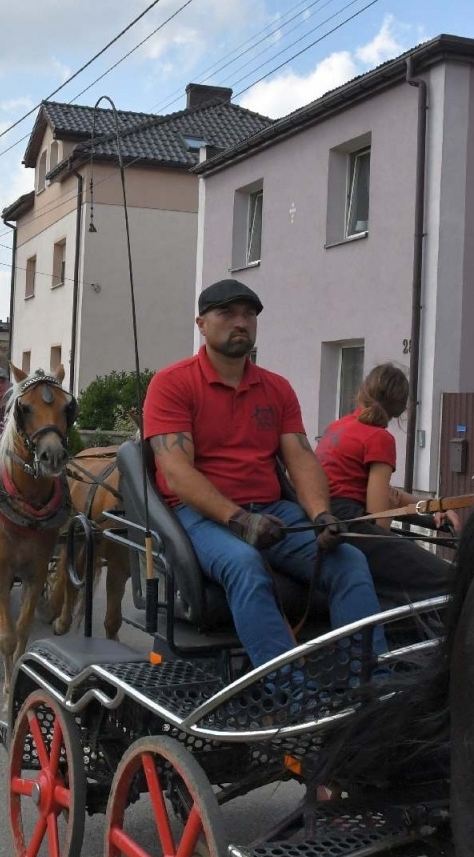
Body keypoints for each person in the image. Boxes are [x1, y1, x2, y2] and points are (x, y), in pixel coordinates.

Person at [143, 279, 386, 667]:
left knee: (350, 561)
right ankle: (287, 692)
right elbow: (176, 474)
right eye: (227, 313)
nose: (241, 322)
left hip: (271, 508)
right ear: (201, 324)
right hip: (198, 517)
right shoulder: (172, 383)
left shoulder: (277, 388)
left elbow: (302, 458)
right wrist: (240, 520)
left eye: (249, 314)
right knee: (245, 565)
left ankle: (367, 683)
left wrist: (321, 515)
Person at [315, 363, 456, 604]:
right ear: (401, 409)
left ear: (362, 392)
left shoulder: (338, 426)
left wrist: (434, 506)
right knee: (452, 580)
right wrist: (391, 514)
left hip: (324, 518)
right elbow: (380, 522)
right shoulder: (379, 438)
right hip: (351, 525)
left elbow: (389, 495)